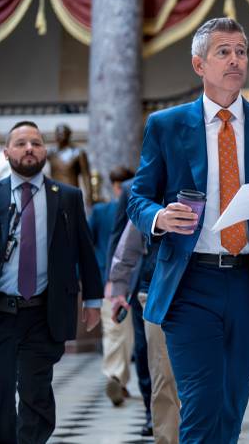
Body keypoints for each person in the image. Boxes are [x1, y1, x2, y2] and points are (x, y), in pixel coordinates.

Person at [126, 17, 249, 443]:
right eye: (223, 51)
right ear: (199, 65)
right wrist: (159, 216)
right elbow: (139, 197)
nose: (235, 59)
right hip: (190, 282)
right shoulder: (166, 125)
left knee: (232, 402)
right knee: (201, 400)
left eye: (241, 50)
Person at [0, 120, 102, 444]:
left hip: (44, 312)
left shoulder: (67, 197)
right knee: (1, 395)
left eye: (36, 143)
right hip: (1, 312)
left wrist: (93, 301)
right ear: (7, 152)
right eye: (21, 143)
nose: (29, 148)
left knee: (36, 391)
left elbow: (85, 249)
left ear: (45, 151)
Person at [107, 219, 178, 443]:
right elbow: (126, 239)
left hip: (210, 287)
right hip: (156, 286)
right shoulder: (149, 187)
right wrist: (118, 286)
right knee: (162, 373)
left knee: (207, 378)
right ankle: (163, 433)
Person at [107, 178, 153, 436]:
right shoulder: (130, 188)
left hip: (185, 277)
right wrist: (115, 286)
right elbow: (118, 236)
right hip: (142, 276)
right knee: (144, 349)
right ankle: (150, 411)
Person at [90, 166, 135, 407]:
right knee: (124, 333)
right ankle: (117, 377)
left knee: (117, 332)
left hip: (116, 281)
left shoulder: (104, 211)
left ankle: (117, 376)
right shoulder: (105, 212)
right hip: (122, 282)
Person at [47, 123, 94, 205]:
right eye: (57, 133)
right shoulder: (51, 152)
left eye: (62, 133)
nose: (59, 135)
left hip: (71, 191)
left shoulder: (78, 152)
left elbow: (86, 175)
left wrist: (89, 195)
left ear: (69, 134)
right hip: (54, 190)